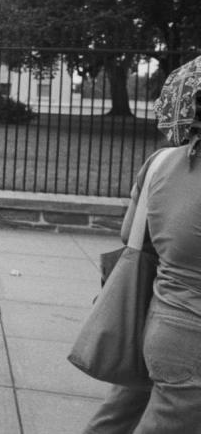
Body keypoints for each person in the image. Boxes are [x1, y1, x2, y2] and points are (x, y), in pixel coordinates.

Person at [83, 55, 201, 433]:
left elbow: (129, 234)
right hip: (194, 333)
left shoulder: (161, 161)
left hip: (157, 316)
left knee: (116, 417)